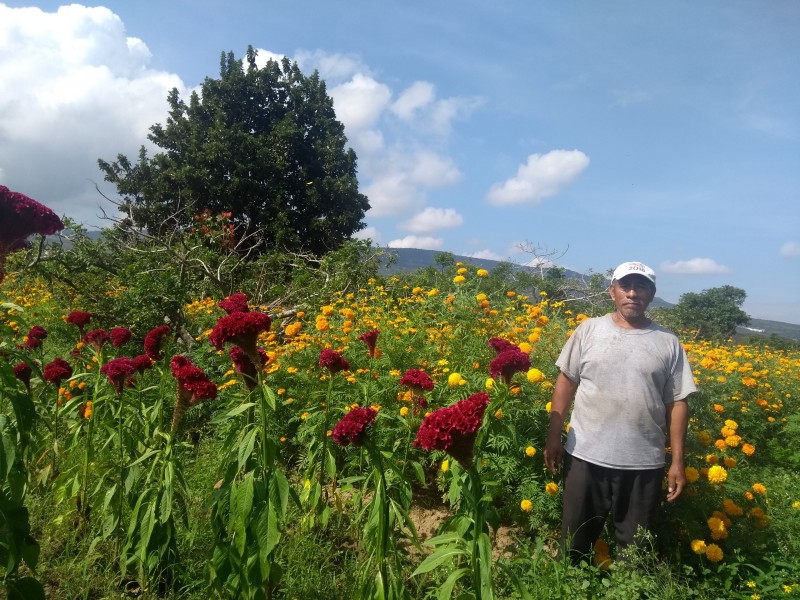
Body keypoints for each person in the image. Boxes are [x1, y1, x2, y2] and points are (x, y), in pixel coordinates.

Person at [543, 261, 696, 562]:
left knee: (635, 553)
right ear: (612, 291)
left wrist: (677, 461)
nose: (632, 293)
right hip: (585, 456)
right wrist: (553, 436)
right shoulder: (589, 330)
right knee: (573, 544)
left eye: (641, 287)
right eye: (625, 286)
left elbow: (677, 402)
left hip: (643, 464)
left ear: (651, 294)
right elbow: (566, 381)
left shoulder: (668, 343)